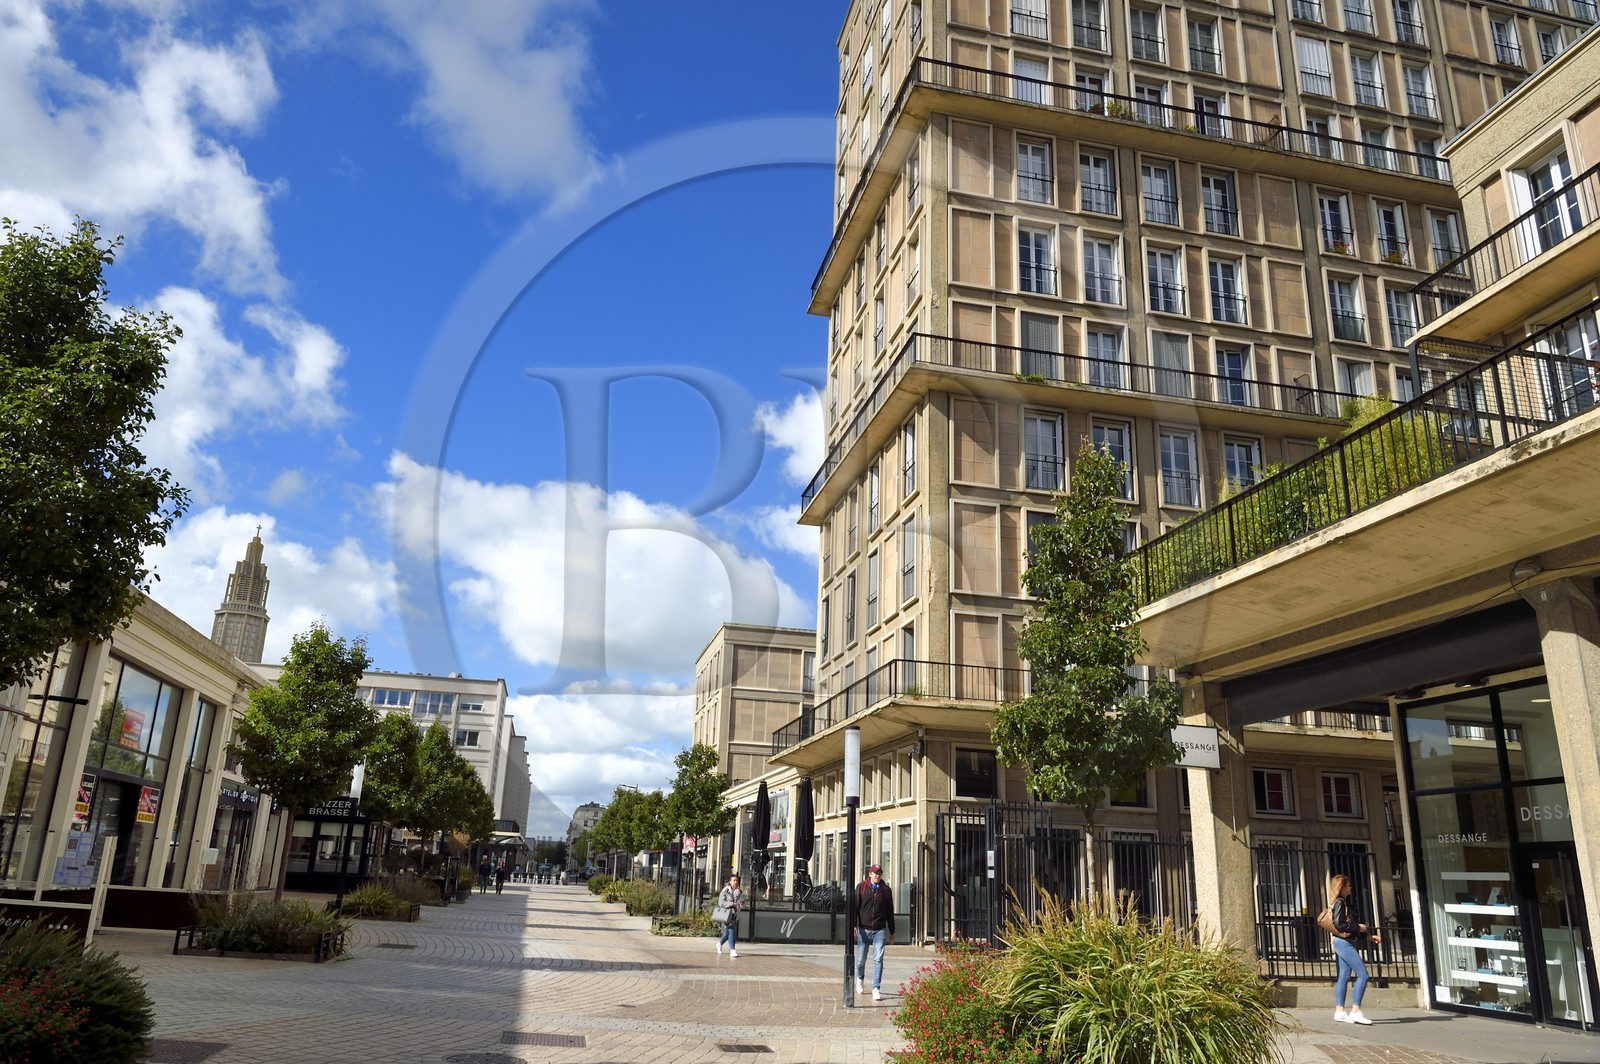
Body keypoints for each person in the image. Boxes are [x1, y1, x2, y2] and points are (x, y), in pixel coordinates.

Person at [1330, 873, 1381, 1025]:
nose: (1350, 887)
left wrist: (1368, 937)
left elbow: (1346, 927)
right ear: (1342, 887)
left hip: (1344, 941)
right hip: (1344, 943)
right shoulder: (1340, 903)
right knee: (1363, 975)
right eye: (1348, 885)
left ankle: (1340, 1011)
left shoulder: (1342, 902)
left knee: (1344, 976)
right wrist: (1359, 926)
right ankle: (1355, 1011)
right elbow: (1340, 925)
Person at [855, 864, 896, 1002]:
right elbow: (856, 908)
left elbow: (890, 912)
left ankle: (876, 988)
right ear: (870, 874)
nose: (877, 875)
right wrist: (854, 926)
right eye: (875, 873)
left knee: (878, 959)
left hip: (879, 930)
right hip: (863, 929)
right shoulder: (861, 888)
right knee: (861, 959)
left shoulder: (886, 890)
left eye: (879, 873)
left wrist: (892, 931)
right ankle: (859, 979)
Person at [715, 873, 743, 958]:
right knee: (731, 930)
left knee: (728, 931)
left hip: (735, 914)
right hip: (727, 914)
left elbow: (742, 899)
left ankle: (719, 944)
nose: (736, 882)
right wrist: (732, 904)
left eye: (736, 880)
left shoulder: (738, 891)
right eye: (734, 880)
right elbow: (721, 903)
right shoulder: (725, 891)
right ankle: (732, 950)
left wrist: (742, 903)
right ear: (729, 882)